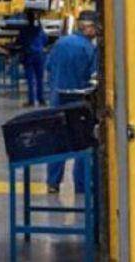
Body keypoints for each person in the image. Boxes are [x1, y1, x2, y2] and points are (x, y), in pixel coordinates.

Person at [45, 12, 99, 194]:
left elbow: (49, 67)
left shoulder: (60, 43)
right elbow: (94, 77)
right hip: (79, 101)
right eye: (95, 28)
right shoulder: (89, 48)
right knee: (82, 142)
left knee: (57, 142)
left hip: (57, 99)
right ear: (88, 27)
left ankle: (52, 182)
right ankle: (81, 185)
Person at [16, 11, 49, 107]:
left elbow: (19, 41)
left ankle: (31, 101)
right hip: (39, 56)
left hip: (29, 55)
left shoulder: (24, 30)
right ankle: (41, 100)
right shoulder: (39, 30)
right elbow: (45, 40)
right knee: (39, 79)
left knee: (30, 79)